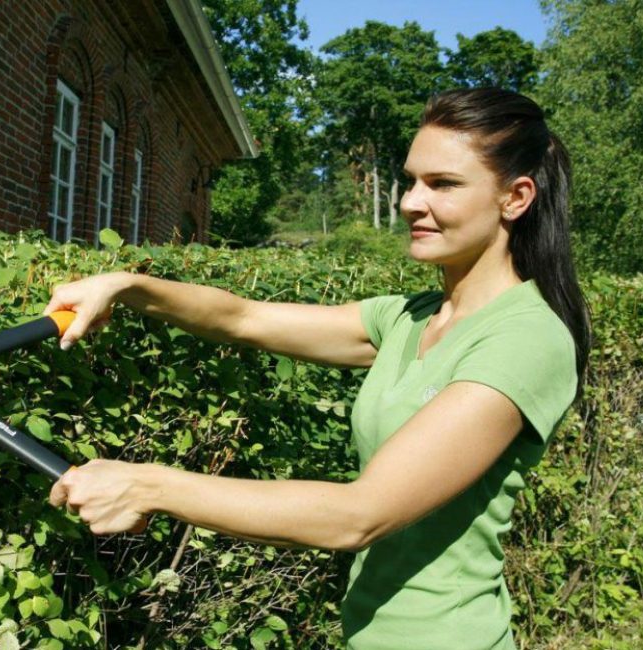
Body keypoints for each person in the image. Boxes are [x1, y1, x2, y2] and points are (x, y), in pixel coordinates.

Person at [43, 88, 591, 649]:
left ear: (516, 197)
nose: (409, 203)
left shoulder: (526, 338)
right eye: (411, 180)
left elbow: (359, 515)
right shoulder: (408, 317)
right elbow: (243, 317)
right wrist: (127, 286)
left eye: (443, 184)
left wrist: (147, 484)